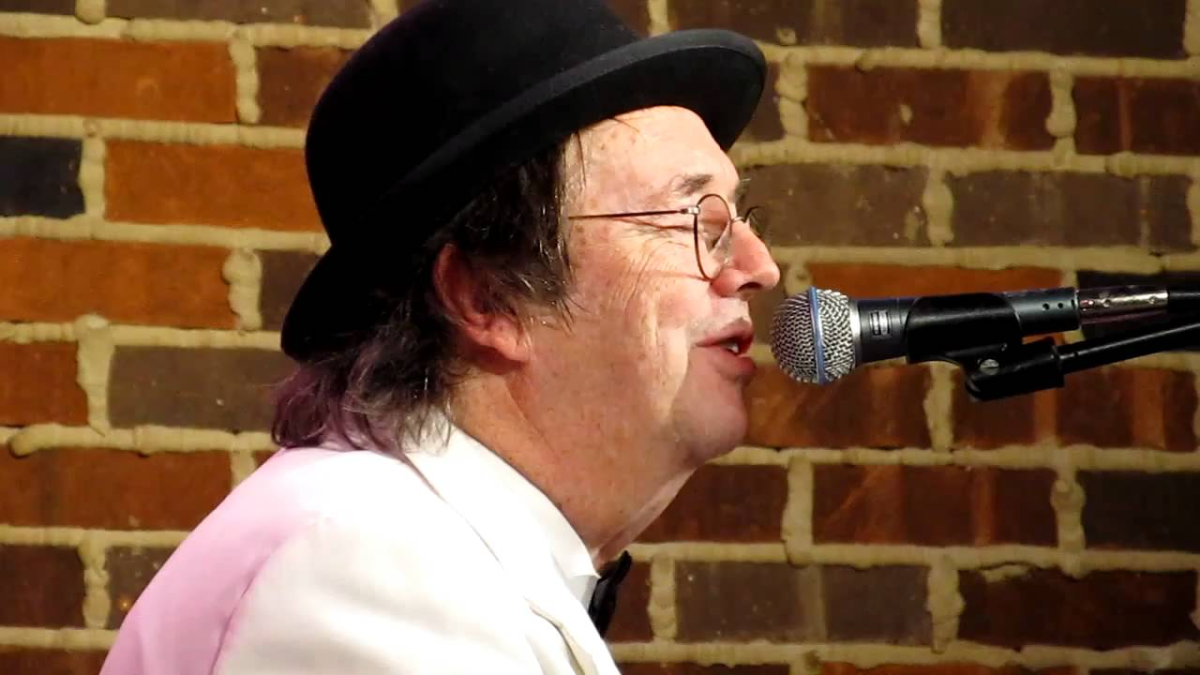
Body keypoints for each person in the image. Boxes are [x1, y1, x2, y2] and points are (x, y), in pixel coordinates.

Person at [101, 0, 780, 672]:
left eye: (738, 217)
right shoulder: (367, 572)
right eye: (692, 218)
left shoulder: (425, 550)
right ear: (488, 296)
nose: (759, 267)